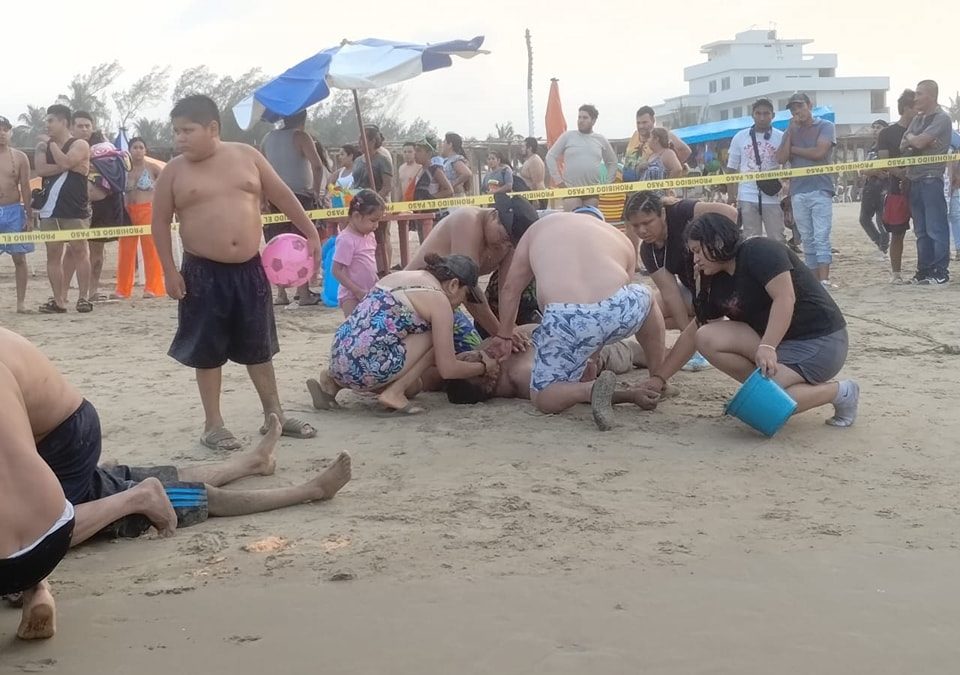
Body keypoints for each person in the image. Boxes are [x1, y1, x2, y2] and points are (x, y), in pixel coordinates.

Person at [0, 326, 351, 552]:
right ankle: (251, 463)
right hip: (67, 428)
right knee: (122, 480)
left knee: (44, 527)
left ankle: (310, 490)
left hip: (60, 437)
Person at [152, 95, 321, 450]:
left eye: (187, 130)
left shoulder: (248, 156)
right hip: (201, 272)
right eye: (176, 131)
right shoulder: (174, 171)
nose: (179, 138)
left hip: (249, 269)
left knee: (259, 344)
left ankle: (273, 413)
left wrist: (311, 232)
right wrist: (169, 270)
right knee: (207, 348)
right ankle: (213, 424)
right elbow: (159, 222)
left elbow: (284, 195)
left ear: (212, 128)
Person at [644, 212, 859, 428]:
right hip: (778, 342)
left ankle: (841, 392)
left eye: (698, 251)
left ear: (717, 242)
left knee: (762, 403)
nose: (695, 259)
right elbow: (695, 329)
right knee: (706, 336)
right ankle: (768, 385)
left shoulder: (760, 250)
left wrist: (767, 345)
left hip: (820, 340)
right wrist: (659, 378)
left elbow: (785, 298)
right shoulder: (713, 277)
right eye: (692, 253)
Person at [488, 212, 666, 431]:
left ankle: (589, 390)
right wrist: (593, 356)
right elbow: (608, 302)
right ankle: (658, 379)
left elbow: (510, 289)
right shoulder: (617, 236)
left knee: (542, 395)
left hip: (565, 318)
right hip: (617, 311)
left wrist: (505, 335)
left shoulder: (534, 232)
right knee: (647, 297)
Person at [307, 253, 499, 415]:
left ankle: (332, 383)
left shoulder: (401, 276)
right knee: (437, 339)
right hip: (365, 367)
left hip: (338, 358)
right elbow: (447, 368)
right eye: (465, 296)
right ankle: (394, 393)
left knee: (414, 387)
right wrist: (483, 367)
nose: (461, 304)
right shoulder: (439, 301)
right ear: (454, 285)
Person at [624, 190, 737, 371]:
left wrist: (717, 252)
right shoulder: (648, 250)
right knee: (646, 312)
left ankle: (709, 325)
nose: (642, 231)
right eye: (635, 226)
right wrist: (688, 338)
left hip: (723, 287)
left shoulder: (680, 211)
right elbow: (670, 293)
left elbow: (730, 213)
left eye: (647, 223)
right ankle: (696, 334)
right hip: (694, 291)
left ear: (662, 213)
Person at [406, 192, 539, 344]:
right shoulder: (468, 220)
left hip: (447, 302)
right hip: (414, 299)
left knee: (478, 348)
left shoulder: (508, 244)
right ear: (494, 216)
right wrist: (501, 334)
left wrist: (509, 328)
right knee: (468, 350)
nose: (504, 246)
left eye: (510, 244)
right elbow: (468, 289)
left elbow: (508, 290)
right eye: (505, 238)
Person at [444, 324, 651, 403]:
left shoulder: (490, 353)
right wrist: (630, 395)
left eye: (465, 356)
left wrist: (510, 332)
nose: (476, 355)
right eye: (480, 362)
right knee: (637, 352)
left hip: (564, 324)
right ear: (489, 382)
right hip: (591, 349)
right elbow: (584, 391)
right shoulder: (524, 377)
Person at [261, 111, 329, 306]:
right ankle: (303, 292)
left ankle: (281, 293)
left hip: (274, 196)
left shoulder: (268, 138)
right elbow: (317, 166)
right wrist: (317, 191)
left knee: (277, 243)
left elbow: (263, 168)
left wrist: (263, 197)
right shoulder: (301, 137)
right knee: (301, 242)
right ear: (304, 119)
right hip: (300, 195)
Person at [61, 115, 127, 304]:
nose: (84, 129)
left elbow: (119, 174)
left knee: (97, 252)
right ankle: (62, 293)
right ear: (71, 127)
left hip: (103, 205)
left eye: (87, 125)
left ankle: (93, 291)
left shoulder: (106, 148)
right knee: (73, 250)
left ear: (93, 127)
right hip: (76, 205)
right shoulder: (67, 148)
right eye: (79, 126)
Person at [34, 104, 93, 314]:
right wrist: (68, 165)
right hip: (49, 209)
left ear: (63, 122)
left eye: (51, 121)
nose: (47, 125)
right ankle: (59, 300)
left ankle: (84, 297)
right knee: (53, 254)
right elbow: (41, 169)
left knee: (80, 250)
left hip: (75, 207)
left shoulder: (79, 144)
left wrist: (52, 146)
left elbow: (67, 161)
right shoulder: (41, 147)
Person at [776, 93, 837, 287]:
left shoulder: (825, 126)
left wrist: (794, 149)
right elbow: (780, 158)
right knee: (807, 237)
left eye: (800, 107)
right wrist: (790, 135)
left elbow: (819, 153)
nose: (797, 111)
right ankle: (814, 282)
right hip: (798, 189)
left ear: (809, 105)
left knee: (821, 235)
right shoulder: (790, 129)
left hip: (820, 187)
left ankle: (825, 279)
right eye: (793, 109)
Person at [901, 79, 953, 285]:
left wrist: (917, 140)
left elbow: (915, 142)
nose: (915, 98)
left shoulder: (942, 118)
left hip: (931, 178)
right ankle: (923, 270)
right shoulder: (917, 120)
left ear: (931, 95)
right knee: (921, 230)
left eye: (919, 94)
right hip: (914, 178)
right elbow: (903, 144)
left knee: (935, 227)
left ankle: (940, 271)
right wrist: (918, 139)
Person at [726, 98, 786, 243]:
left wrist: (787, 193)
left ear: (773, 115)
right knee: (751, 240)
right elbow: (731, 168)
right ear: (752, 115)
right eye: (758, 113)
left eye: (766, 114)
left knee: (777, 239)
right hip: (747, 195)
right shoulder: (740, 137)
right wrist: (731, 195)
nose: (762, 117)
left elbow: (789, 166)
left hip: (772, 194)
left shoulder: (781, 137)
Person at [115, 136, 165, 299]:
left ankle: (152, 287)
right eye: (134, 147)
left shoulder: (152, 168)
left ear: (145, 150)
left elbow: (168, 181)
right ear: (129, 150)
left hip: (147, 210)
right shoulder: (124, 169)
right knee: (126, 252)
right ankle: (122, 289)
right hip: (128, 212)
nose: (138, 150)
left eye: (141, 147)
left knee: (150, 250)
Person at [876, 90, 917, 284]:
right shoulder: (887, 133)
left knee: (924, 231)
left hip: (920, 186)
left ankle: (925, 271)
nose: (919, 112)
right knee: (897, 232)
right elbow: (883, 162)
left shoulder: (922, 131)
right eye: (916, 107)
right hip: (896, 189)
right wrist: (901, 173)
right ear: (907, 108)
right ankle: (896, 274)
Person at [545, 104, 618, 211]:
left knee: (589, 223)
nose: (581, 120)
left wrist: (607, 184)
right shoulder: (568, 136)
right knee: (573, 224)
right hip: (570, 190)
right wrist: (559, 181)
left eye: (585, 117)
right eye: (579, 117)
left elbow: (612, 162)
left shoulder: (600, 139)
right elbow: (550, 156)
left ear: (593, 121)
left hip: (592, 191)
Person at [0, 115, 34, 313]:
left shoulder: (19, 157)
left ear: (10, 132)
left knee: (19, 258)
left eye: (5, 129)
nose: (2, 133)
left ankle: (20, 303)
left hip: (13, 210)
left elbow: (26, 188)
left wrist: (29, 216)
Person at [332, 190, 384, 317]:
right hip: (351, 295)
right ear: (356, 216)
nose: (376, 226)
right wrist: (356, 291)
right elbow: (336, 271)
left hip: (370, 291)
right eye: (373, 220)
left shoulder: (370, 235)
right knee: (354, 328)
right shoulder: (346, 240)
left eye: (378, 221)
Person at [352, 125, 394, 276]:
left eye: (362, 139)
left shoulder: (382, 160)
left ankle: (383, 270)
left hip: (376, 205)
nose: (359, 143)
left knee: (380, 238)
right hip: (358, 205)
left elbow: (387, 186)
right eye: (359, 139)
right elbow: (354, 183)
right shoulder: (357, 161)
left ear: (372, 141)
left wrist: (374, 202)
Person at [622, 106, 692, 182]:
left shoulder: (662, 135)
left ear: (653, 120)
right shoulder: (635, 134)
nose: (641, 126)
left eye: (644, 122)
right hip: (630, 187)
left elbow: (686, 151)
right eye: (638, 123)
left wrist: (668, 173)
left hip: (651, 189)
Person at [858, 120, 890, 258]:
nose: (875, 130)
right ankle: (879, 243)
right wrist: (871, 171)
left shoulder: (887, 147)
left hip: (883, 188)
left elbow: (884, 169)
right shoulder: (871, 148)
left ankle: (883, 248)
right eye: (874, 127)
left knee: (882, 220)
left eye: (879, 127)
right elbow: (863, 169)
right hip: (870, 187)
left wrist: (871, 170)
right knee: (864, 219)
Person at [441, 132, 473, 196]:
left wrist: (451, 185)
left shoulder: (455, 159)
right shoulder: (447, 160)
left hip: (456, 198)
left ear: (450, 144)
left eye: (444, 142)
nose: (442, 145)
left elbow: (467, 173)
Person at [519, 136, 547, 207]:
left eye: (523, 147)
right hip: (530, 196)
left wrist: (535, 199)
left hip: (537, 197)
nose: (521, 149)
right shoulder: (529, 160)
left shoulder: (535, 161)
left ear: (529, 148)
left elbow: (536, 182)